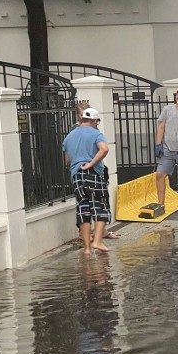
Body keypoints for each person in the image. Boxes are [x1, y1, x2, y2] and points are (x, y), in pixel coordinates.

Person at [63, 107, 110, 255]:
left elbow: (67, 159)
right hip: (93, 173)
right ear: (94, 120)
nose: (97, 124)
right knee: (100, 206)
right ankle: (97, 241)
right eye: (97, 121)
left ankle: (87, 249)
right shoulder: (96, 134)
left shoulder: (69, 137)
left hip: (77, 175)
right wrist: (91, 163)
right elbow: (104, 149)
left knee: (83, 209)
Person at [75, 102, 119, 240]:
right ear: (78, 116)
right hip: (86, 171)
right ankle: (85, 235)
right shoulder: (76, 131)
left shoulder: (94, 130)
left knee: (100, 202)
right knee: (87, 204)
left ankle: (102, 231)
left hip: (97, 169)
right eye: (82, 115)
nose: (85, 118)